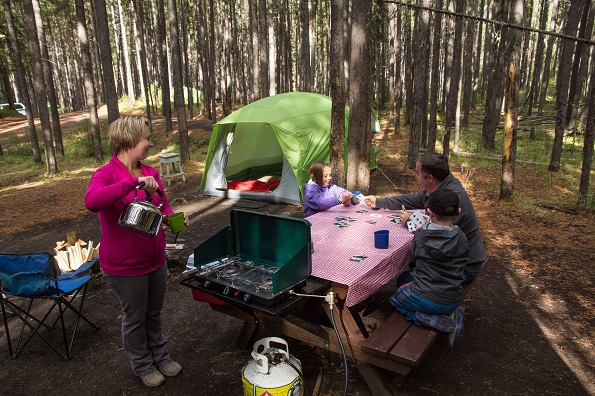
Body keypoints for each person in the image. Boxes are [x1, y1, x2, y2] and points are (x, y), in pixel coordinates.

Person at [85, 116, 188, 388]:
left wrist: (172, 218)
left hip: (155, 259)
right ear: (130, 140)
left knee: (153, 313)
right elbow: (92, 201)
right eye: (146, 138)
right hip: (124, 265)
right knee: (135, 317)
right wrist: (132, 183)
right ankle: (142, 364)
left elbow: (162, 206)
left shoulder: (151, 172)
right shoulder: (106, 174)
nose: (150, 143)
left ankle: (161, 357)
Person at [364, 151, 486, 282]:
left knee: (404, 279)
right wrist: (378, 202)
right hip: (450, 258)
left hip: (462, 266)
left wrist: (411, 220)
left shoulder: (452, 198)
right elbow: (410, 199)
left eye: (417, 173)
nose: (416, 176)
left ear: (430, 178)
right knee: (414, 263)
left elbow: (439, 235)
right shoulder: (439, 187)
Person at [389, 189, 468, 347]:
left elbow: (413, 260)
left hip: (423, 297)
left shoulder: (420, 235)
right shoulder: (462, 237)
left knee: (394, 299)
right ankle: (450, 314)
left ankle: (423, 317)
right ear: (458, 212)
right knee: (406, 279)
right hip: (451, 299)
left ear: (430, 213)